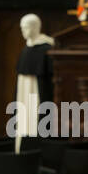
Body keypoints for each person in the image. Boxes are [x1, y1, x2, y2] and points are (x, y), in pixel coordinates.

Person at [14, 14, 56, 151]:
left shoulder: (46, 48)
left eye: (25, 28)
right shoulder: (26, 48)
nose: (23, 31)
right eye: (21, 28)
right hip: (24, 93)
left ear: (34, 27)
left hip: (38, 92)